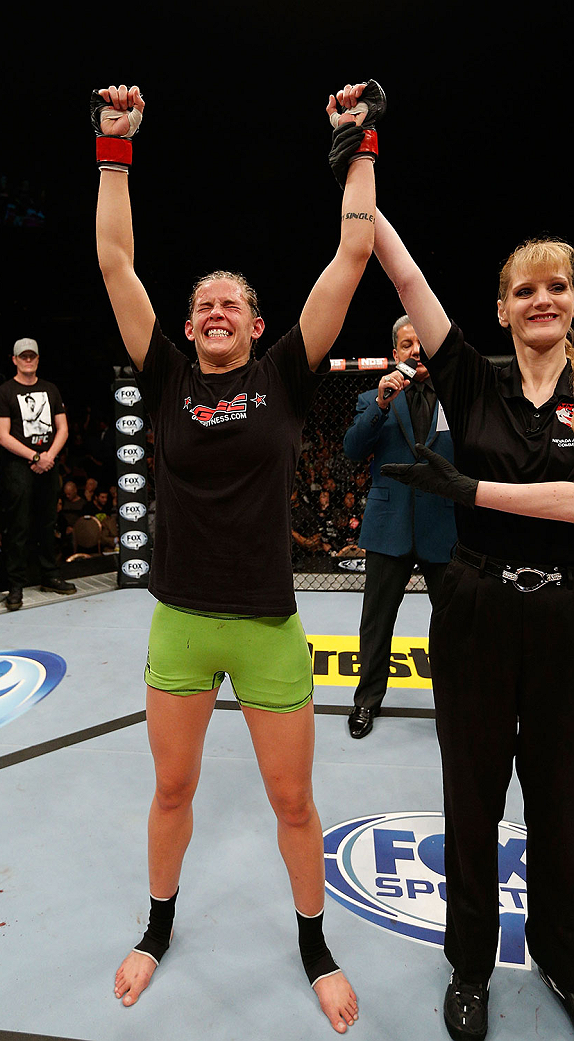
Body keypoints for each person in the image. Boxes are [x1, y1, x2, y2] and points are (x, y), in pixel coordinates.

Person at [94, 78, 384, 1032]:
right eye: (204, 302)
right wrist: (114, 147)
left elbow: (351, 253)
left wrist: (360, 142)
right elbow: (114, 261)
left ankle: (315, 946)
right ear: (188, 326)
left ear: (258, 326)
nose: (217, 308)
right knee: (172, 787)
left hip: (266, 625)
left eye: (234, 302)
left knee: (293, 803)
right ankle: (157, 927)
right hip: (180, 622)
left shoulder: (284, 379)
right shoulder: (169, 375)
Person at [370, 209, 574, 1039]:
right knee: (471, 798)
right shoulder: (474, 381)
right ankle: (469, 967)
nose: (541, 299)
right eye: (523, 289)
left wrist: (472, 493)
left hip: (567, 611)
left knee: (562, 801)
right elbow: (408, 280)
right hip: (475, 604)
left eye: (556, 285)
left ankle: (561, 952)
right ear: (500, 308)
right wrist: (362, 166)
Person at [342, 317, 456, 738]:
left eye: (422, 342)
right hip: (389, 527)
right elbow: (353, 450)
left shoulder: (456, 397)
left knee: (451, 626)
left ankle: (455, 705)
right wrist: (382, 403)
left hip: (443, 527)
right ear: (395, 353)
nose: (416, 350)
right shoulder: (373, 398)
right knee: (376, 622)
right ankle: (366, 703)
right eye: (407, 344)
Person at [0, 337, 77, 610]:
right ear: (14, 359)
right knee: (18, 525)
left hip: (48, 462)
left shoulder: (50, 390)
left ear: (38, 359)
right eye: (23, 356)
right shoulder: (5, 392)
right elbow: (3, 436)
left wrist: (49, 456)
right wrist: (35, 456)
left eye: (32, 356)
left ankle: (49, 575)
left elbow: (62, 428)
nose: (28, 360)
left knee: (47, 522)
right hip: (19, 466)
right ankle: (15, 585)